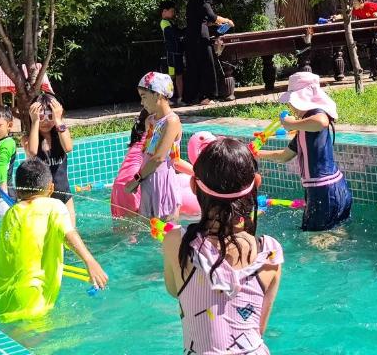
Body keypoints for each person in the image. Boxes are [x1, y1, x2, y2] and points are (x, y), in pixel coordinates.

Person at [162, 136, 283, 355]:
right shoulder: (270, 253)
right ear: (257, 183)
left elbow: (174, 290)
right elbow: (258, 329)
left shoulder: (176, 242)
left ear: (193, 186)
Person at [0, 158, 107, 324]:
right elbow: (69, 233)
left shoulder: (11, 214)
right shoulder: (53, 205)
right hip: (33, 295)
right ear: (51, 188)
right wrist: (90, 261)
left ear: (17, 192)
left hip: (4, 298)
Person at [257, 71, 352, 231]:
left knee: (316, 238)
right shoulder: (305, 128)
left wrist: (291, 124)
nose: (290, 106)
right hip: (336, 188)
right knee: (333, 234)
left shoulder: (315, 114)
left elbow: (322, 122)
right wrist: (256, 154)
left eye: (291, 101)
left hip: (323, 190)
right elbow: (284, 156)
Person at [123, 72, 184, 222]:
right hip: (147, 180)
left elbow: (159, 158)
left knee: (166, 229)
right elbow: (147, 154)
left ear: (157, 94)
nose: (142, 102)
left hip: (163, 183)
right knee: (147, 229)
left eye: (144, 97)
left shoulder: (171, 121)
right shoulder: (150, 121)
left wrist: (136, 179)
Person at [24, 92, 76, 225]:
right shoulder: (27, 139)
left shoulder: (61, 133)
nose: (46, 121)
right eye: (41, 116)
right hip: (42, 199)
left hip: (64, 195)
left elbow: (68, 148)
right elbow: (32, 152)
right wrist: (35, 122)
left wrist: (58, 120)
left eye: (50, 116)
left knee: (71, 232)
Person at [183, 0, 233, 106]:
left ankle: (190, 98)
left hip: (190, 38)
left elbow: (203, 20)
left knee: (193, 67)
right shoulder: (203, 3)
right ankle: (207, 97)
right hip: (201, 38)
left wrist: (214, 23)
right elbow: (212, 17)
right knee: (207, 66)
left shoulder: (191, 2)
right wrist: (227, 21)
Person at [110, 109, 149, 220]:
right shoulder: (152, 137)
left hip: (118, 184)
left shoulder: (138, 139)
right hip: (133, 182)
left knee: (122, 227)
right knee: (139, 226)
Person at [159, 0, 185, 105]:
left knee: (179, 75)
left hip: (177, 53)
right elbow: (173, 34)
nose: (173, 13)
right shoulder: (164, 22)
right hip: (171, 54)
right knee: (170, 77)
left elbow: (178, 33)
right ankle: (165, 99)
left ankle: (180, 98)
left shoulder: (171, 22)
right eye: (172, 11)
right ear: (164, 11)